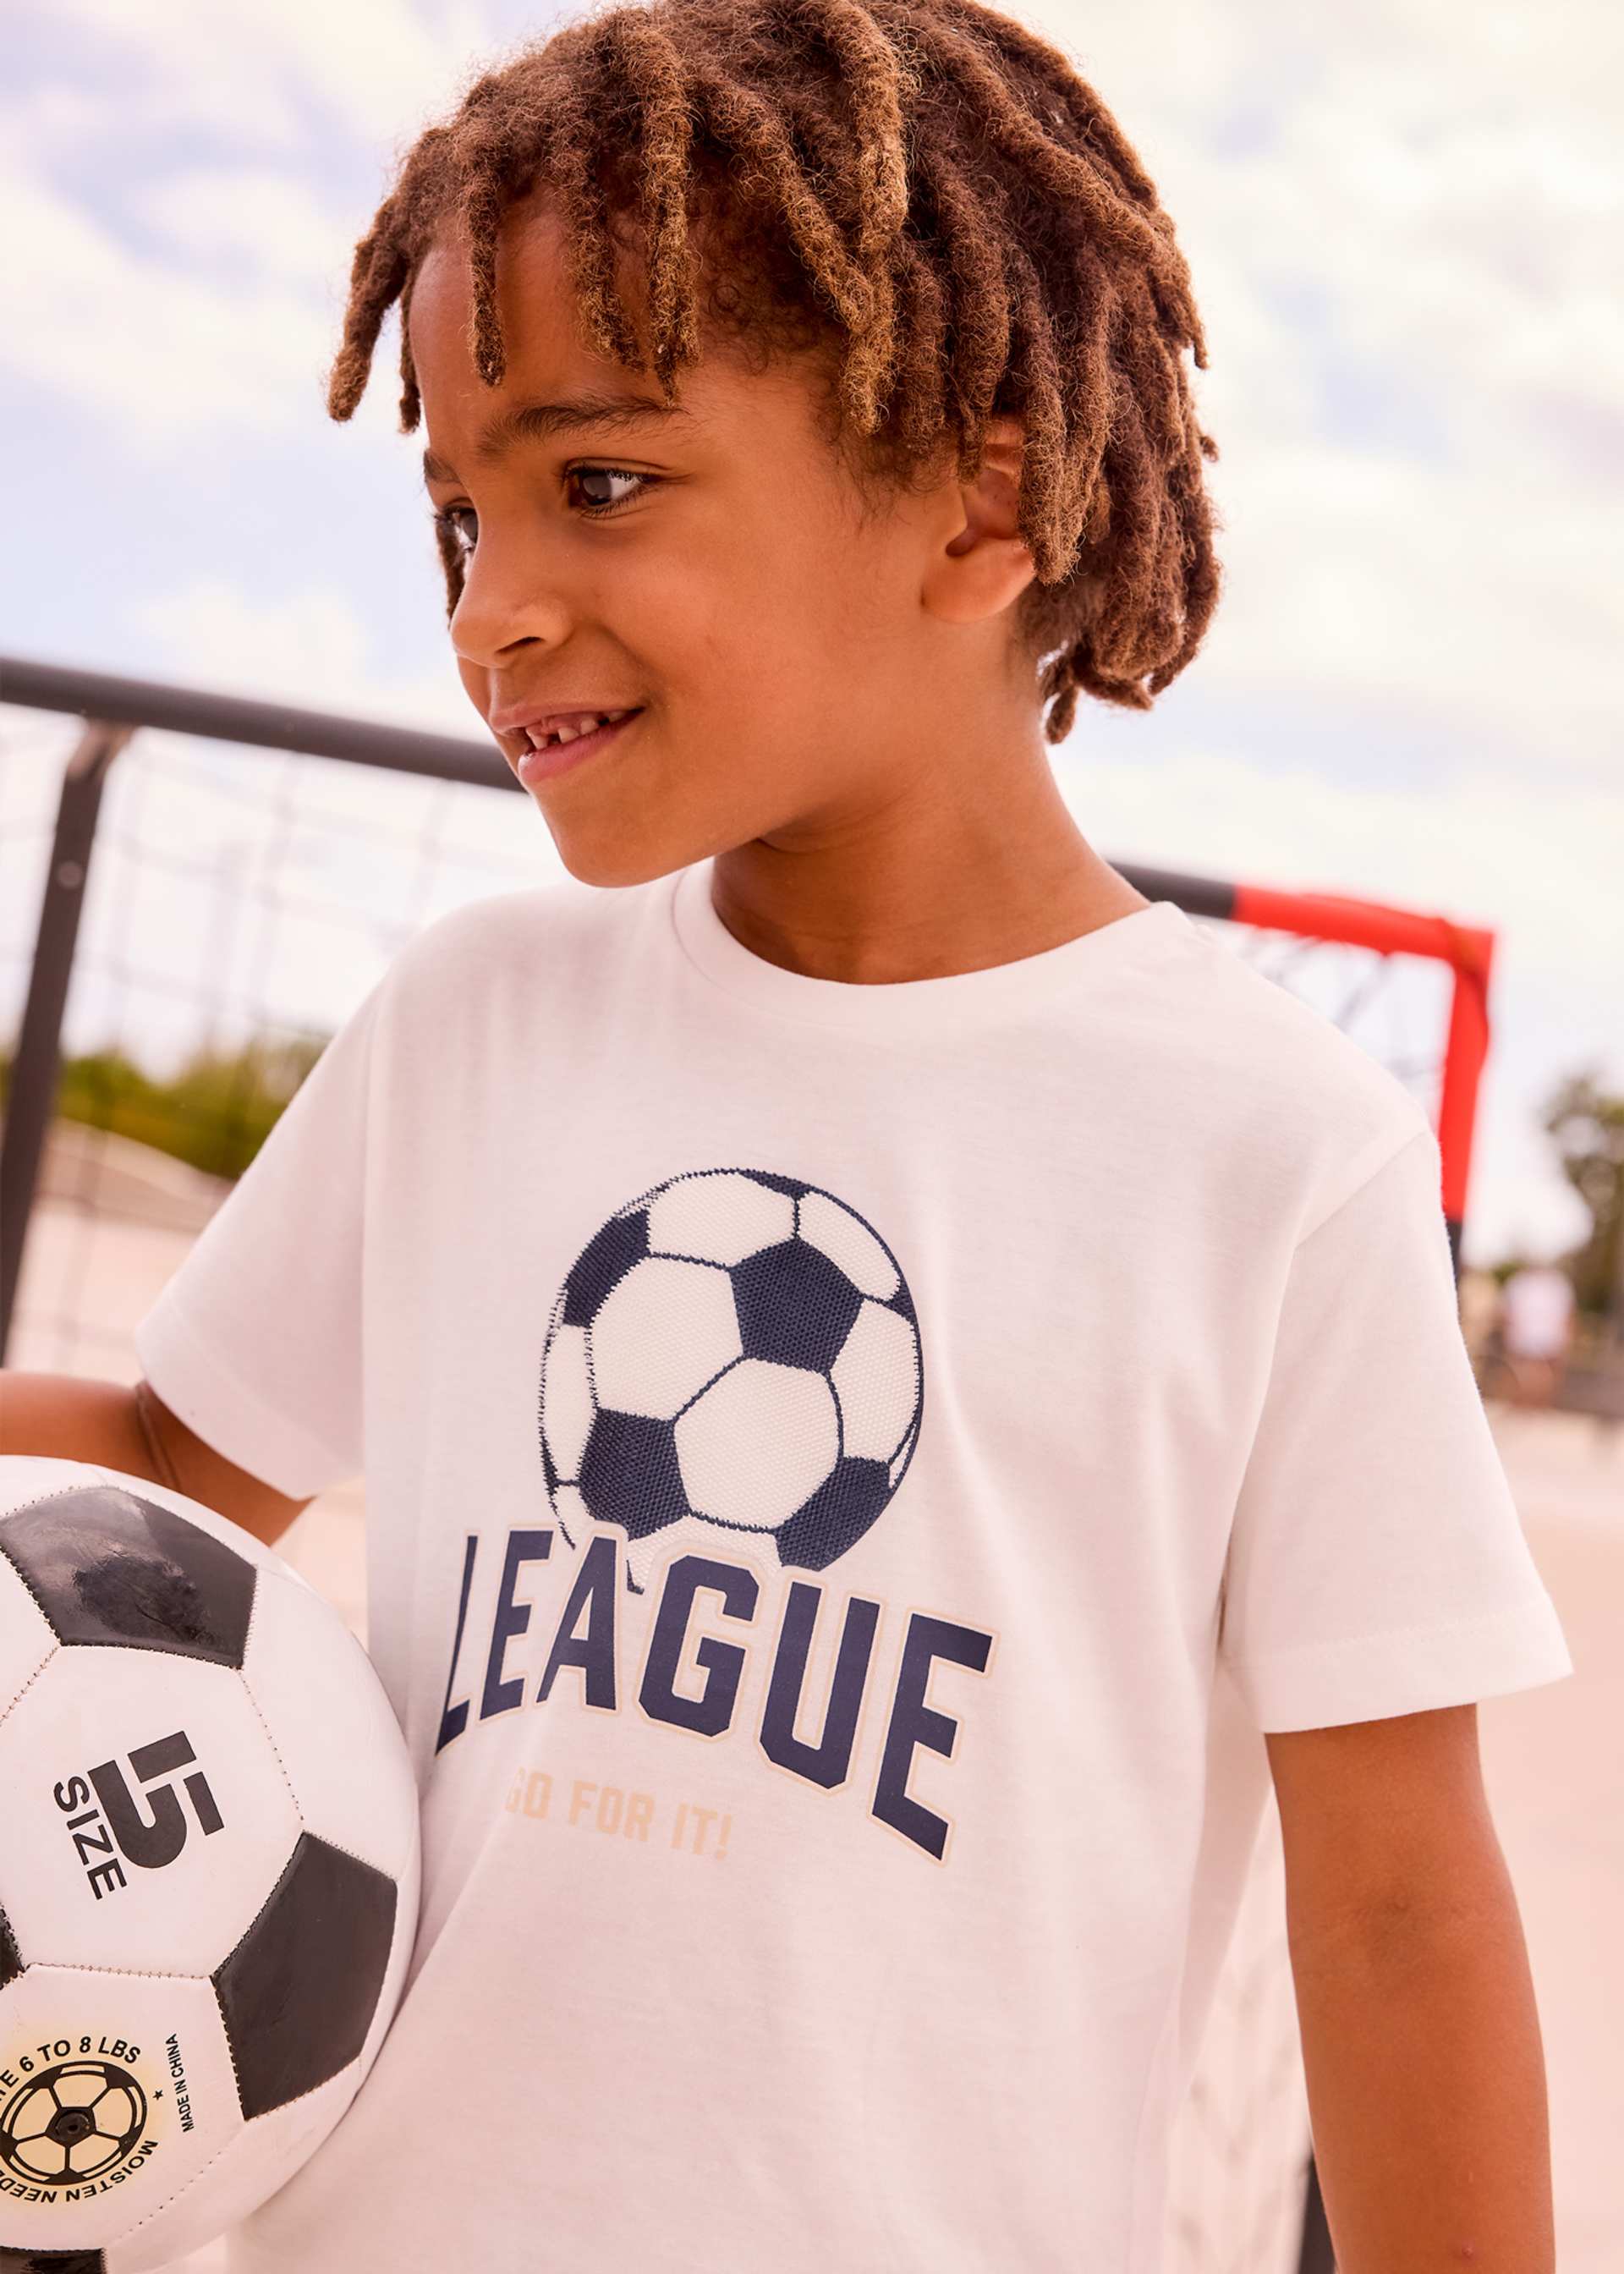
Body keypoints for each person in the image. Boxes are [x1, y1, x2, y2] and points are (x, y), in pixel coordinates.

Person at [3, 3, 1573, 2266]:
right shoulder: (475, 1025)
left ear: (985, 499)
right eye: (457, 509)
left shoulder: (1273, 1157)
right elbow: (169, 1458)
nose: (489, 604)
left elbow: (1404, 1894)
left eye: (598, 481)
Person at [1500, 1261, 1577, 1411]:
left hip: (1548, 1340)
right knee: (1521, 1375)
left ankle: (1539, 1408)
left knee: (1544, 1377)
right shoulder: (1519, 1283)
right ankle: (1521, 1406)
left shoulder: (1558, 1285)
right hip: (1523, 1339)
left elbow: (1569, 1315)